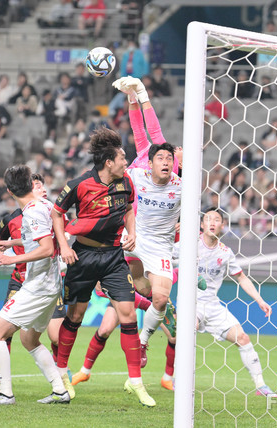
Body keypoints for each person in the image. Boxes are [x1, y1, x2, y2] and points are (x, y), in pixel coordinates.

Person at [51, 127, 155, 407]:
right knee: (75, 316)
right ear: (109, 162)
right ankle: (61, 374)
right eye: (122, 158)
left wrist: (131, 232)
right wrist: (63, 246)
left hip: (113, 257)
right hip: (82, 255)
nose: (126, 162)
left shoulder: (126, 183)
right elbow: (56, 213)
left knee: (128, 314)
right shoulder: (79, 184)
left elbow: (130, 208)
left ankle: (136, 382)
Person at [0, 165, 69, 405]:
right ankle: (60, 390)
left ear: (9, 191)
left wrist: (12, 258)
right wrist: (13, 242)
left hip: (37, 285)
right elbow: (46, 238)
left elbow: (47, 248)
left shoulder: (32, 212)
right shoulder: (47, 206)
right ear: (31, 184)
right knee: (29, 340)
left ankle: (5, 393)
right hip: (51, 285)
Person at [111, 76, 181, 369]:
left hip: (162, 242)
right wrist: (131, 97)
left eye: (171, 156)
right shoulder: (139, 167)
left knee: (160, 298)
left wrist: (141, 93)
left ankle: (142, 340)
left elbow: (154, 131)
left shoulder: (178, 178)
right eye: (162, 156)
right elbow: (142, 130)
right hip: (135, 236)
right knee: (140, 285)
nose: (168, 159)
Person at [191, 208, 276, 396]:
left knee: (243, 338)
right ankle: (179, 379)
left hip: (213, 306)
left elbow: (242, 278)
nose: (212, 222)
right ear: (202, 224)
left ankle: (261, 386)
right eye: (208, 219)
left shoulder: (225, 252)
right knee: (188, 333)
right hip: (191, 304)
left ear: (222, 225)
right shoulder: (190, 244)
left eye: (217, 220)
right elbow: (165, 255)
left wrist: (260, 300)